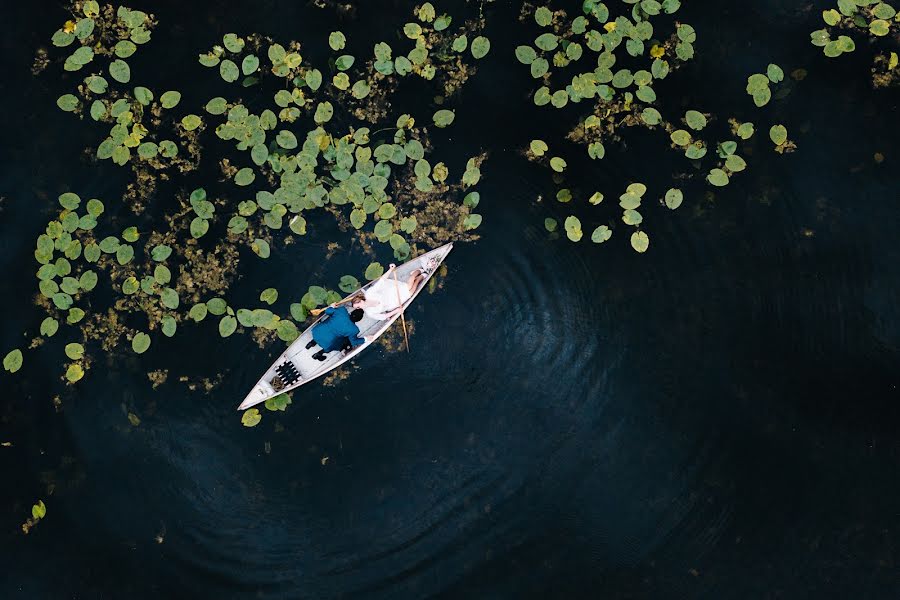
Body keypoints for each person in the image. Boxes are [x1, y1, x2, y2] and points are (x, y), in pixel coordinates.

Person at [353, 258, 436, 320]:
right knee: (411, 292)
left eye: (358, 305)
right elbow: (384, 316)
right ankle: (420, 277)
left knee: (409, 285)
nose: (359, 308)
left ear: (361, 301)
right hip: (393, 302)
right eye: (358, 308)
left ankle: (418, 271)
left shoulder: (369, 294)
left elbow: (381, 281)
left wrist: (390, 269)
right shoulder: (370, 313)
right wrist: (397, 311)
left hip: (391, 291)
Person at [305, 306, 372, 361]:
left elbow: (327, 311)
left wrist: (332, 306)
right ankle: (319, 354)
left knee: (325, 332)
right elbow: (354, 342)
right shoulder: (354, 330)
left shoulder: (342, 311)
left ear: (351, 312)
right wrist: (366, 338)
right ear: (359, 320)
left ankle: (311, 343)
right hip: (327, 343)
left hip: (316, 331)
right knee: (338, 343)